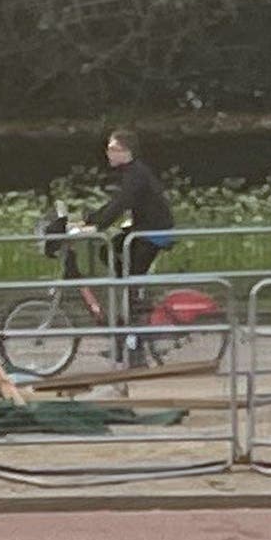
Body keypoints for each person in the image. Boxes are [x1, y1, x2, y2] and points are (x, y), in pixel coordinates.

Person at [96, 130, 178, 364]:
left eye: (113, 148)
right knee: (110, 249)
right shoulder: (131, 172)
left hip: (153, 233)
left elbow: (123, 202)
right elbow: (117, 202)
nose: (108, 153)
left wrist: (99, 224)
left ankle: (136, 345)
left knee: (132, 282)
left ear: (126, 152)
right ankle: (132, 316)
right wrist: (91, 220)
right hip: (144, 229)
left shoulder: (136, 174)